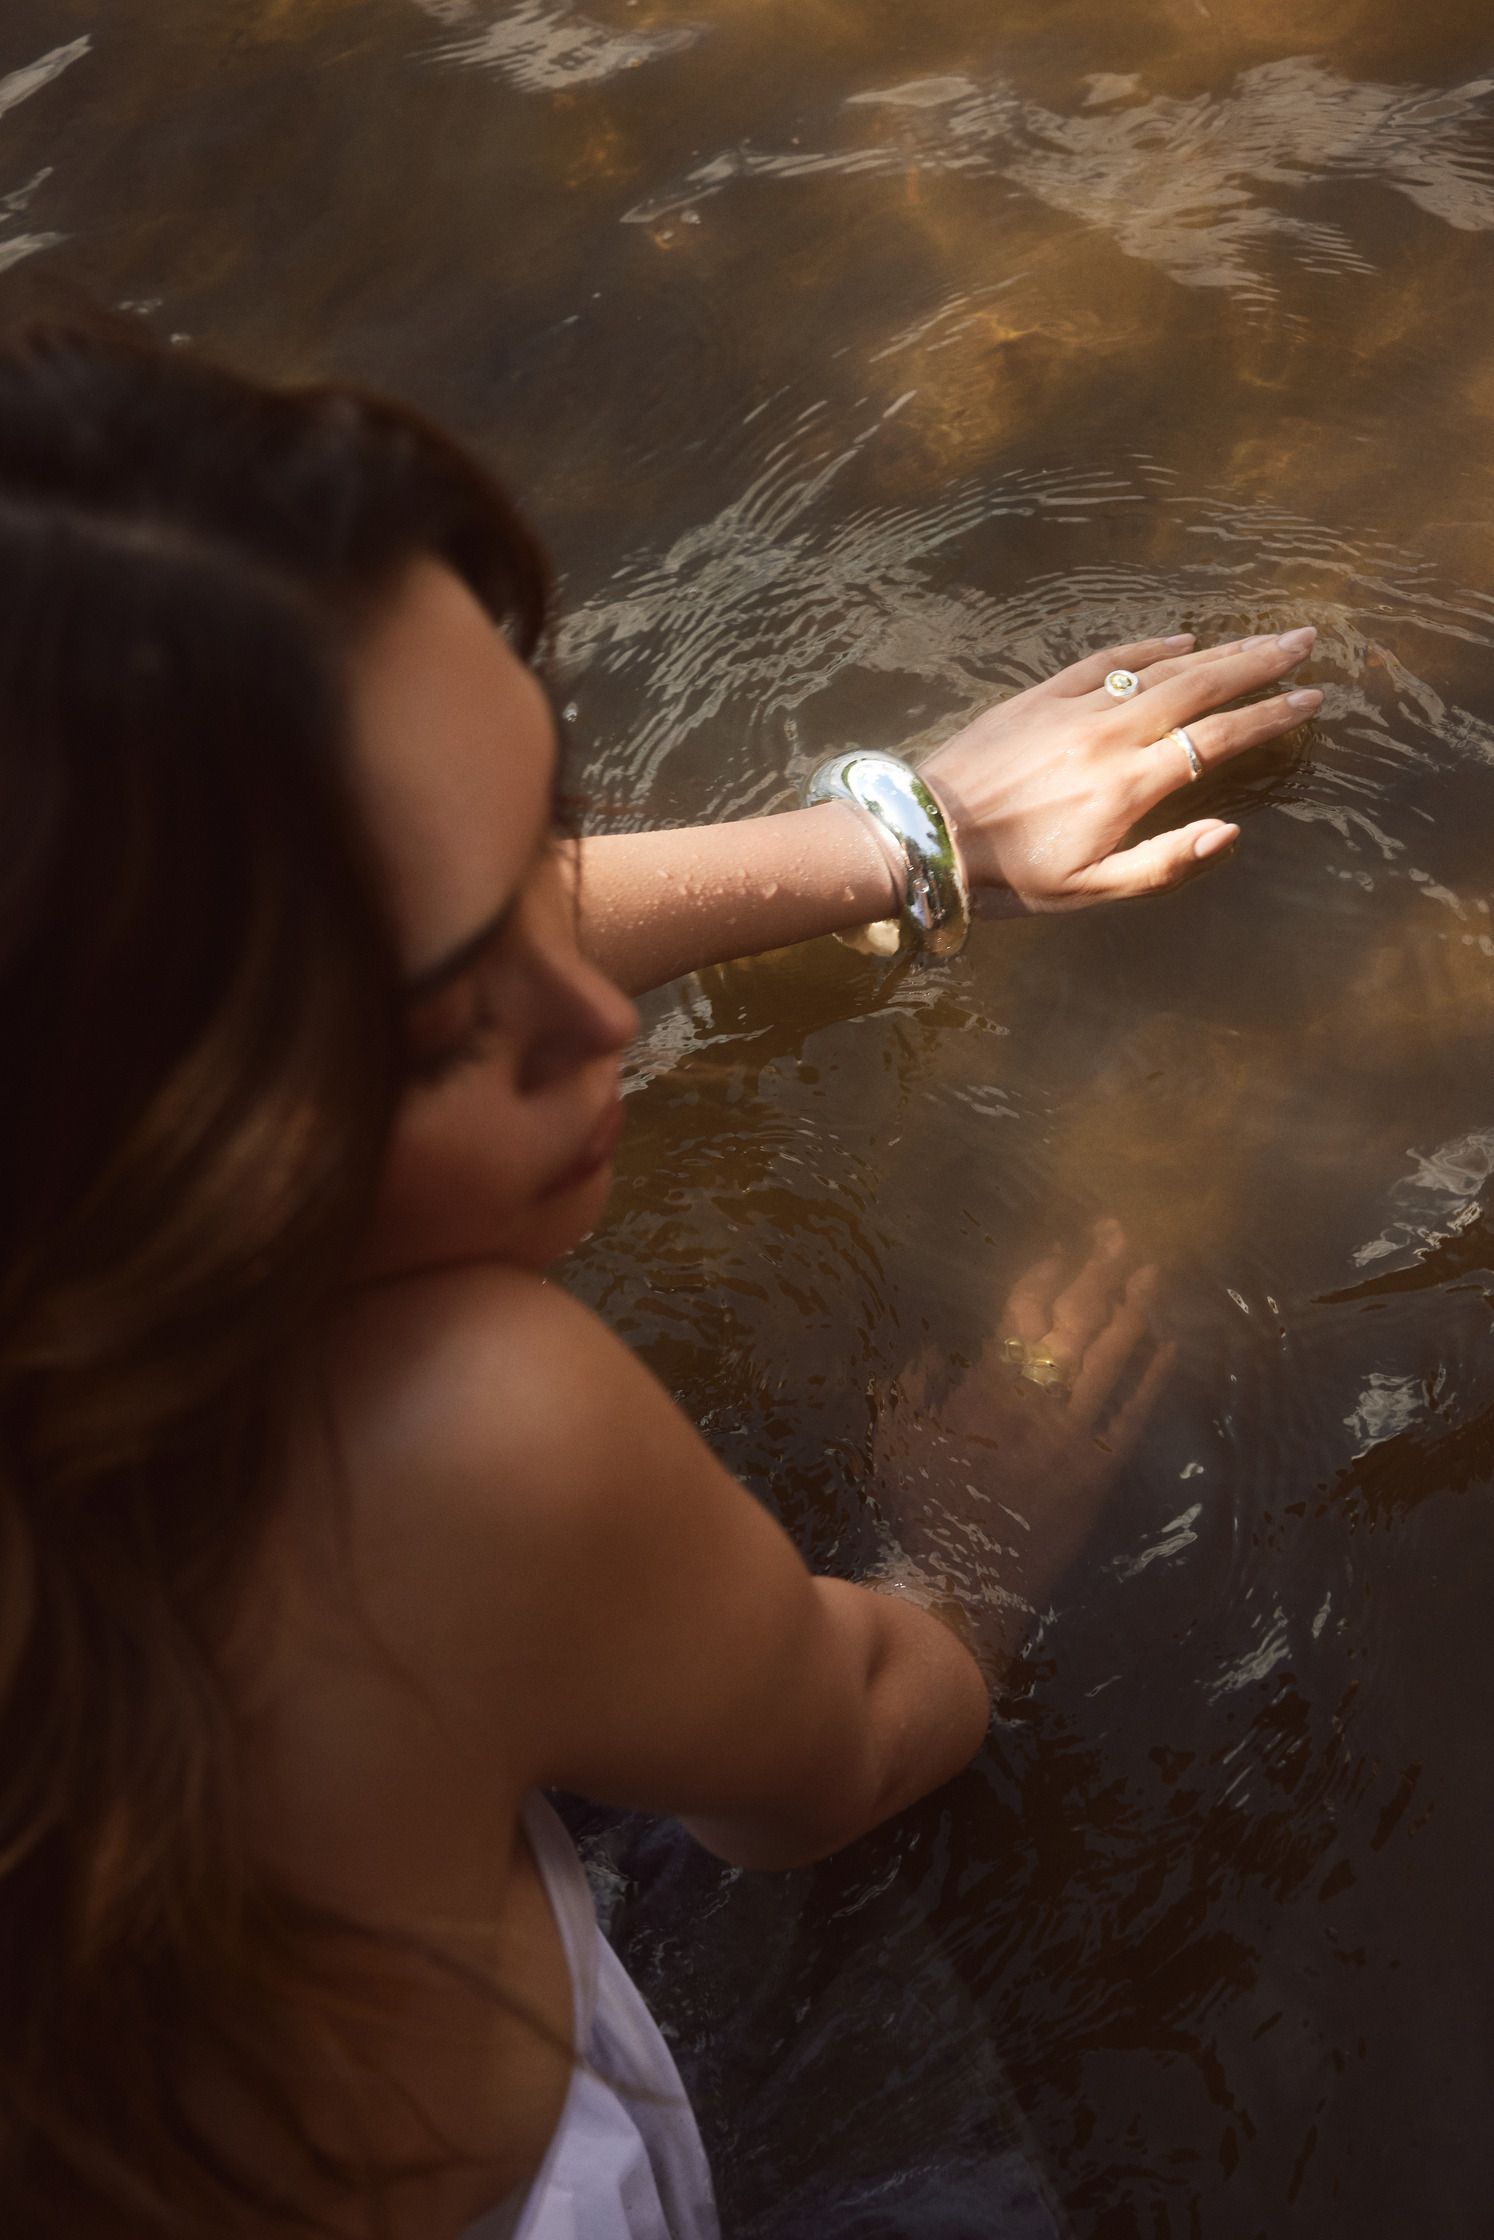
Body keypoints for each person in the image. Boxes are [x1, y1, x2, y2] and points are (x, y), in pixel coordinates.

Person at [0, 307, 1321, 2240]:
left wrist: (917, 834)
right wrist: (956, 1552)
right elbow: (839, 1760)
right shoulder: (446, 1458)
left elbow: (319, 904)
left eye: (550, 831)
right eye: (452, 1029)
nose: (597, 1026)